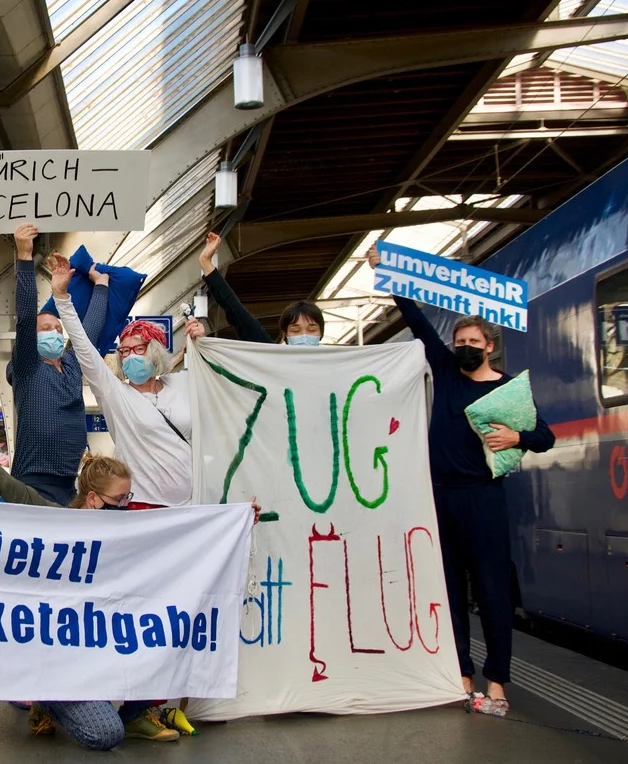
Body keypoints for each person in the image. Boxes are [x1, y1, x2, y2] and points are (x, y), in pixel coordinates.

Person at [0, 423, 263, 748]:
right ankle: (45, 697)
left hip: (102, 654)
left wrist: (236, 522)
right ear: (93, 499)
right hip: (61, 663)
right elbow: (10, 486)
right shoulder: (59, 524)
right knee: (105, 734)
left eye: (128, 497)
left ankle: (135, 713)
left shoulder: (126, 530)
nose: (126, 505)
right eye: (120, 499)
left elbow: (183, 536)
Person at [367, 243, 555, 719]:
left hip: (484, 499)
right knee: (448, 590)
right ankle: (461, 676)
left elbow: (546, 437)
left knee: (492, 591)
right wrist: (384, 273)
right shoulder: (447, 372)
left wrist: (520, 434)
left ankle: (496, 683)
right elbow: (417, 322)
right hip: (441, 498)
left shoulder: (508, 389)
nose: (465, 348)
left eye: (474, 342)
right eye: (460, 341)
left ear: (490, 346)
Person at [47, 252, 204, 508]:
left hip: (192, 506)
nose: (130, 356)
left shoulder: (183, 384)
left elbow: (220, 381)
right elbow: (84, 348)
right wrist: (62, 298)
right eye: (125, 351)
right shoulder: (116, 395)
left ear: (155, 351)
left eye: (138, 349)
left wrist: (203, 343)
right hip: (141, 506)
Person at [7, 223, 110, 504]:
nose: (53, 331)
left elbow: (89, 330)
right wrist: (25, 257)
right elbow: (26, 316)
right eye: (45, 328)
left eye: (57, 328)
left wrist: (101, 286)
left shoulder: (72, 365)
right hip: (32, 481)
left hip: (71, 481)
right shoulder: (28, 366)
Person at [198, 232, 325, 345]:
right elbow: (238, 314)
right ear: (285, 335)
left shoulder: (338, 364)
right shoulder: (270, 358)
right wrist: (205, 262)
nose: (304, 336)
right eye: (295, 330)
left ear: (321, 334)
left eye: (312, 329)